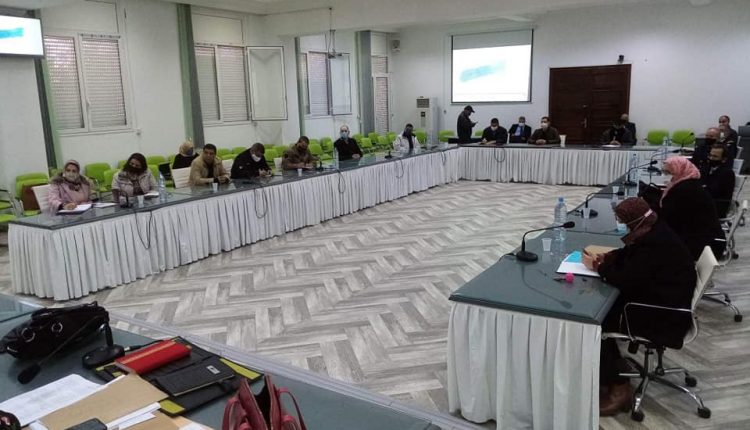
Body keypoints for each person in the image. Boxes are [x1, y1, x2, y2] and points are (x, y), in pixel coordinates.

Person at [583, 197, 696, 417]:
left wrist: (598, 267)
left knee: (597, 321)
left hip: (662, 315)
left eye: (624, 222)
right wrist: (610, 257)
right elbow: (631, 255)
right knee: (605, 313)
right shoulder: (654, 229)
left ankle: (619, 387)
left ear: (634, 221)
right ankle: (614, 365)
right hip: (663, 302)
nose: (622, 226)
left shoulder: (654, 244)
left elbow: (626, 279)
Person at [648, 157, 725, 259]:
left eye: (668, 172)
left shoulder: (685, 190)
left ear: (679, 170)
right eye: (664, 172)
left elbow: (668, 216)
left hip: (704, 245)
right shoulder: (687, 184)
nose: (665, 175)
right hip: (702, 238)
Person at [699, 144, 736, 218]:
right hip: (703, 202)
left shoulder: (727, 173)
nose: (711, 158)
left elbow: (717, 192)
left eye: (715, 156)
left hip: (716, 208)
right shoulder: (706, 168)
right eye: (710, 155)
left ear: (724, 159)